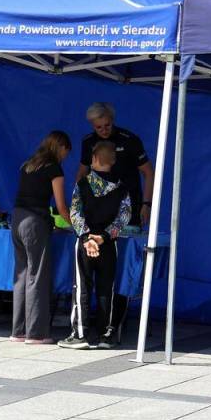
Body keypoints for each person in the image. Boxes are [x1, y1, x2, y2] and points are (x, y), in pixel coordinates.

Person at [60, 141, 132, 350]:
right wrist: (104, 237)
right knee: (106, 289)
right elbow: (124, 217)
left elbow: (75, 213)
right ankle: (105, 335)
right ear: (113, 161)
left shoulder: (82, 184)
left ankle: (80, 334)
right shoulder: (122, 188)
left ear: (93, 159)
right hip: (108, 245)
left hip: (85, 243)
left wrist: (87, 237)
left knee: (82, 287)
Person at [11, 130, 71, 344]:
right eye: (66, 152)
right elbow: (61, 206)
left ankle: (18, 331)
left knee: (21, 275)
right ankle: (36, 334)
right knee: (37, 276)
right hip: (35, 222)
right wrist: (76, 225)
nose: (66, 157)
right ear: (61, 147)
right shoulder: (54, 168)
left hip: (17, 219)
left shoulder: (27, 165)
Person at [77, 103, 154, 227]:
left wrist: (147, 204)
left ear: (112, 120)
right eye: (99, 127)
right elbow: (82, 173)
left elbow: (148, 172)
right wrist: (79, 202)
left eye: (107, 125)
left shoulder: (129, 140)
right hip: (98, 208)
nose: (104, 130)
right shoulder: (88, 141)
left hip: (128, 206)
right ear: (92, 124)